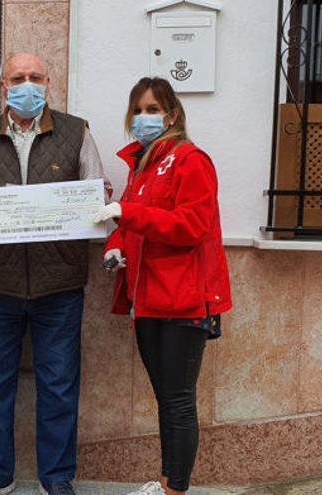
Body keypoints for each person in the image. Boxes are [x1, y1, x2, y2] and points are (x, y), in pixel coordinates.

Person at [0, 52, 110, 495]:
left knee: (59, 385)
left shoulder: (76, 132)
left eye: (35, 77)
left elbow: (96, 197)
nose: (27, 85)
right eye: (18, 78)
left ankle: (57, 478)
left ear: (48, 82)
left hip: (59, 284)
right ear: (3, 86)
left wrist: (94, 202)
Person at [93, 77, 232, 495]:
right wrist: (116, 247)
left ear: (172, 114)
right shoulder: (142, 164)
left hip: (184, 302)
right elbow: (130, 221)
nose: (143, 117)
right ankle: (169, 481)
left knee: (177, 403)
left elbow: (191, 226)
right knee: (167, 401)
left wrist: (127, 214)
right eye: (138, 109)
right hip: (148, 299)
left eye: (153, 109)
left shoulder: (191, 160)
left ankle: (175, 489)